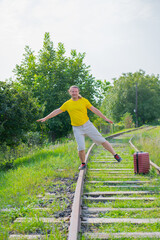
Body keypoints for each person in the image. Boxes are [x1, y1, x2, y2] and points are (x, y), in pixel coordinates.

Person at [37, 85, 122, 170]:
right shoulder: (67, 104)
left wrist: (105, 118)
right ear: (69, 92)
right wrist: (46, 118)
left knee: (102, 140)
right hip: (77, 128)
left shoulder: (84, 101)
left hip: (88, 125)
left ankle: (115, 155)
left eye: (76, 91)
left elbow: (94, 109)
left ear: (78, 92)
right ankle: (83, 163)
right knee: (81, 147)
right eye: (72, 91)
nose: (74, 93)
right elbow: (57, 111)